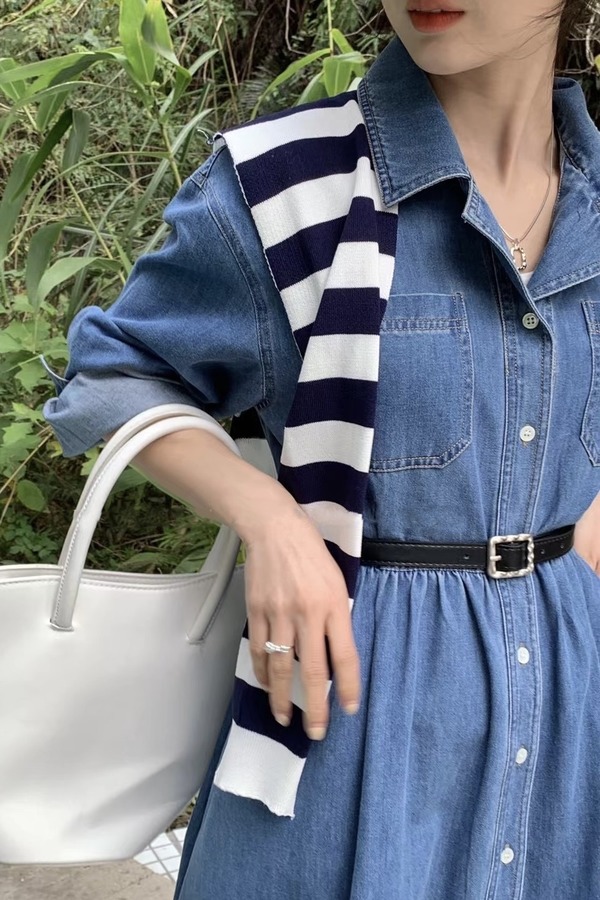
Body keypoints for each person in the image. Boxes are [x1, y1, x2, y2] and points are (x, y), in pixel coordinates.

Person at [44, 0, 600, 897]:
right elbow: (113, 373)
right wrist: (271, 518)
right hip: (344, 719)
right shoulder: (287, 185)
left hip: (570, 720)